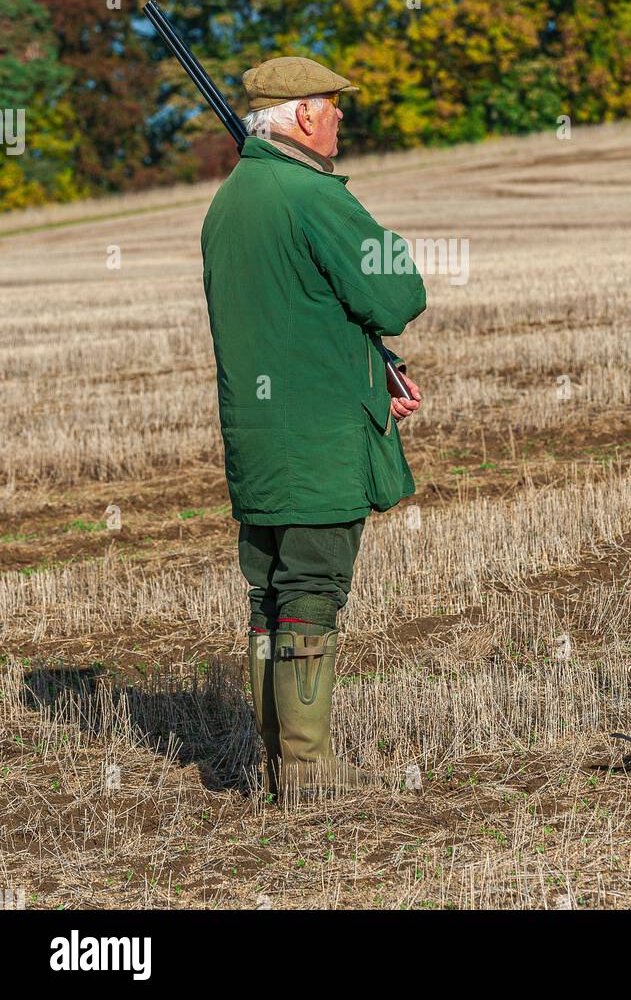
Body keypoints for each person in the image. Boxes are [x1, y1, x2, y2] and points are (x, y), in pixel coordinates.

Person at [201, 55, 426, 797]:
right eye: (333, 106)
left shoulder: (231, 201)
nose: (340, 118)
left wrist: (370, 369)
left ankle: (279, 766)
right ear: (302, 114)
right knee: (311, 594)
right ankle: (307, 777)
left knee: (269, 597)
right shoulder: (309, 194)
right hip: (318, 443)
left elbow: (293, 317)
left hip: (258, 439)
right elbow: (396, 294)